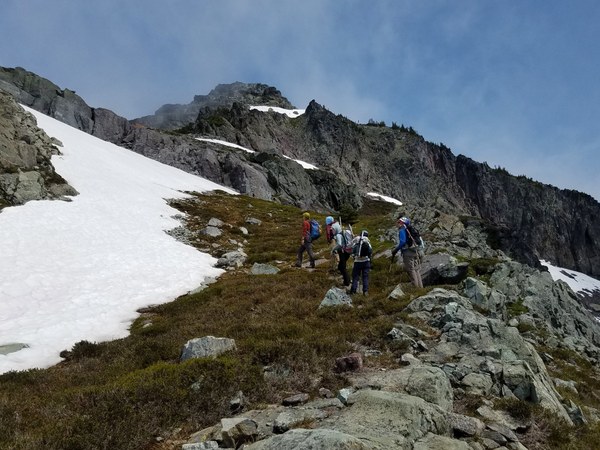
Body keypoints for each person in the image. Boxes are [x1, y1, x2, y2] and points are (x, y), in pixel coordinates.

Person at [391, 216, 423, 288]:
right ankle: (421, 288)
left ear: (402, 223)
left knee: (411, 270)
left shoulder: (402, 230)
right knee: (416, 270)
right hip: (415, 250)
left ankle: (415, 288)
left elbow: (402, 242)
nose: (397, 223)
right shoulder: (410, 229)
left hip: (408, 252)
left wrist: (396, 250)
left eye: (399, 222)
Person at [327, 216, 351, 287]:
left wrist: (333, 249)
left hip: (343, 252)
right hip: (347, 251)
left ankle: (347, 282)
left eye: (333, 229)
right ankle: (347, 280)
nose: (332, 231)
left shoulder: (338, 235)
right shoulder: (342, 232)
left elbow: (339, 244)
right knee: (341, 266)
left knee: (342, 267)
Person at [350, 230, 372, 296]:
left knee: (355, 277)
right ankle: (365, 291)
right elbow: (370, 252)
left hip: (357, 262)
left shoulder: (356, 241)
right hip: (366, 262)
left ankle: (353, 291)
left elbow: (352, 251)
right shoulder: (367, 242)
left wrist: (354, 256)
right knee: (365, 277)